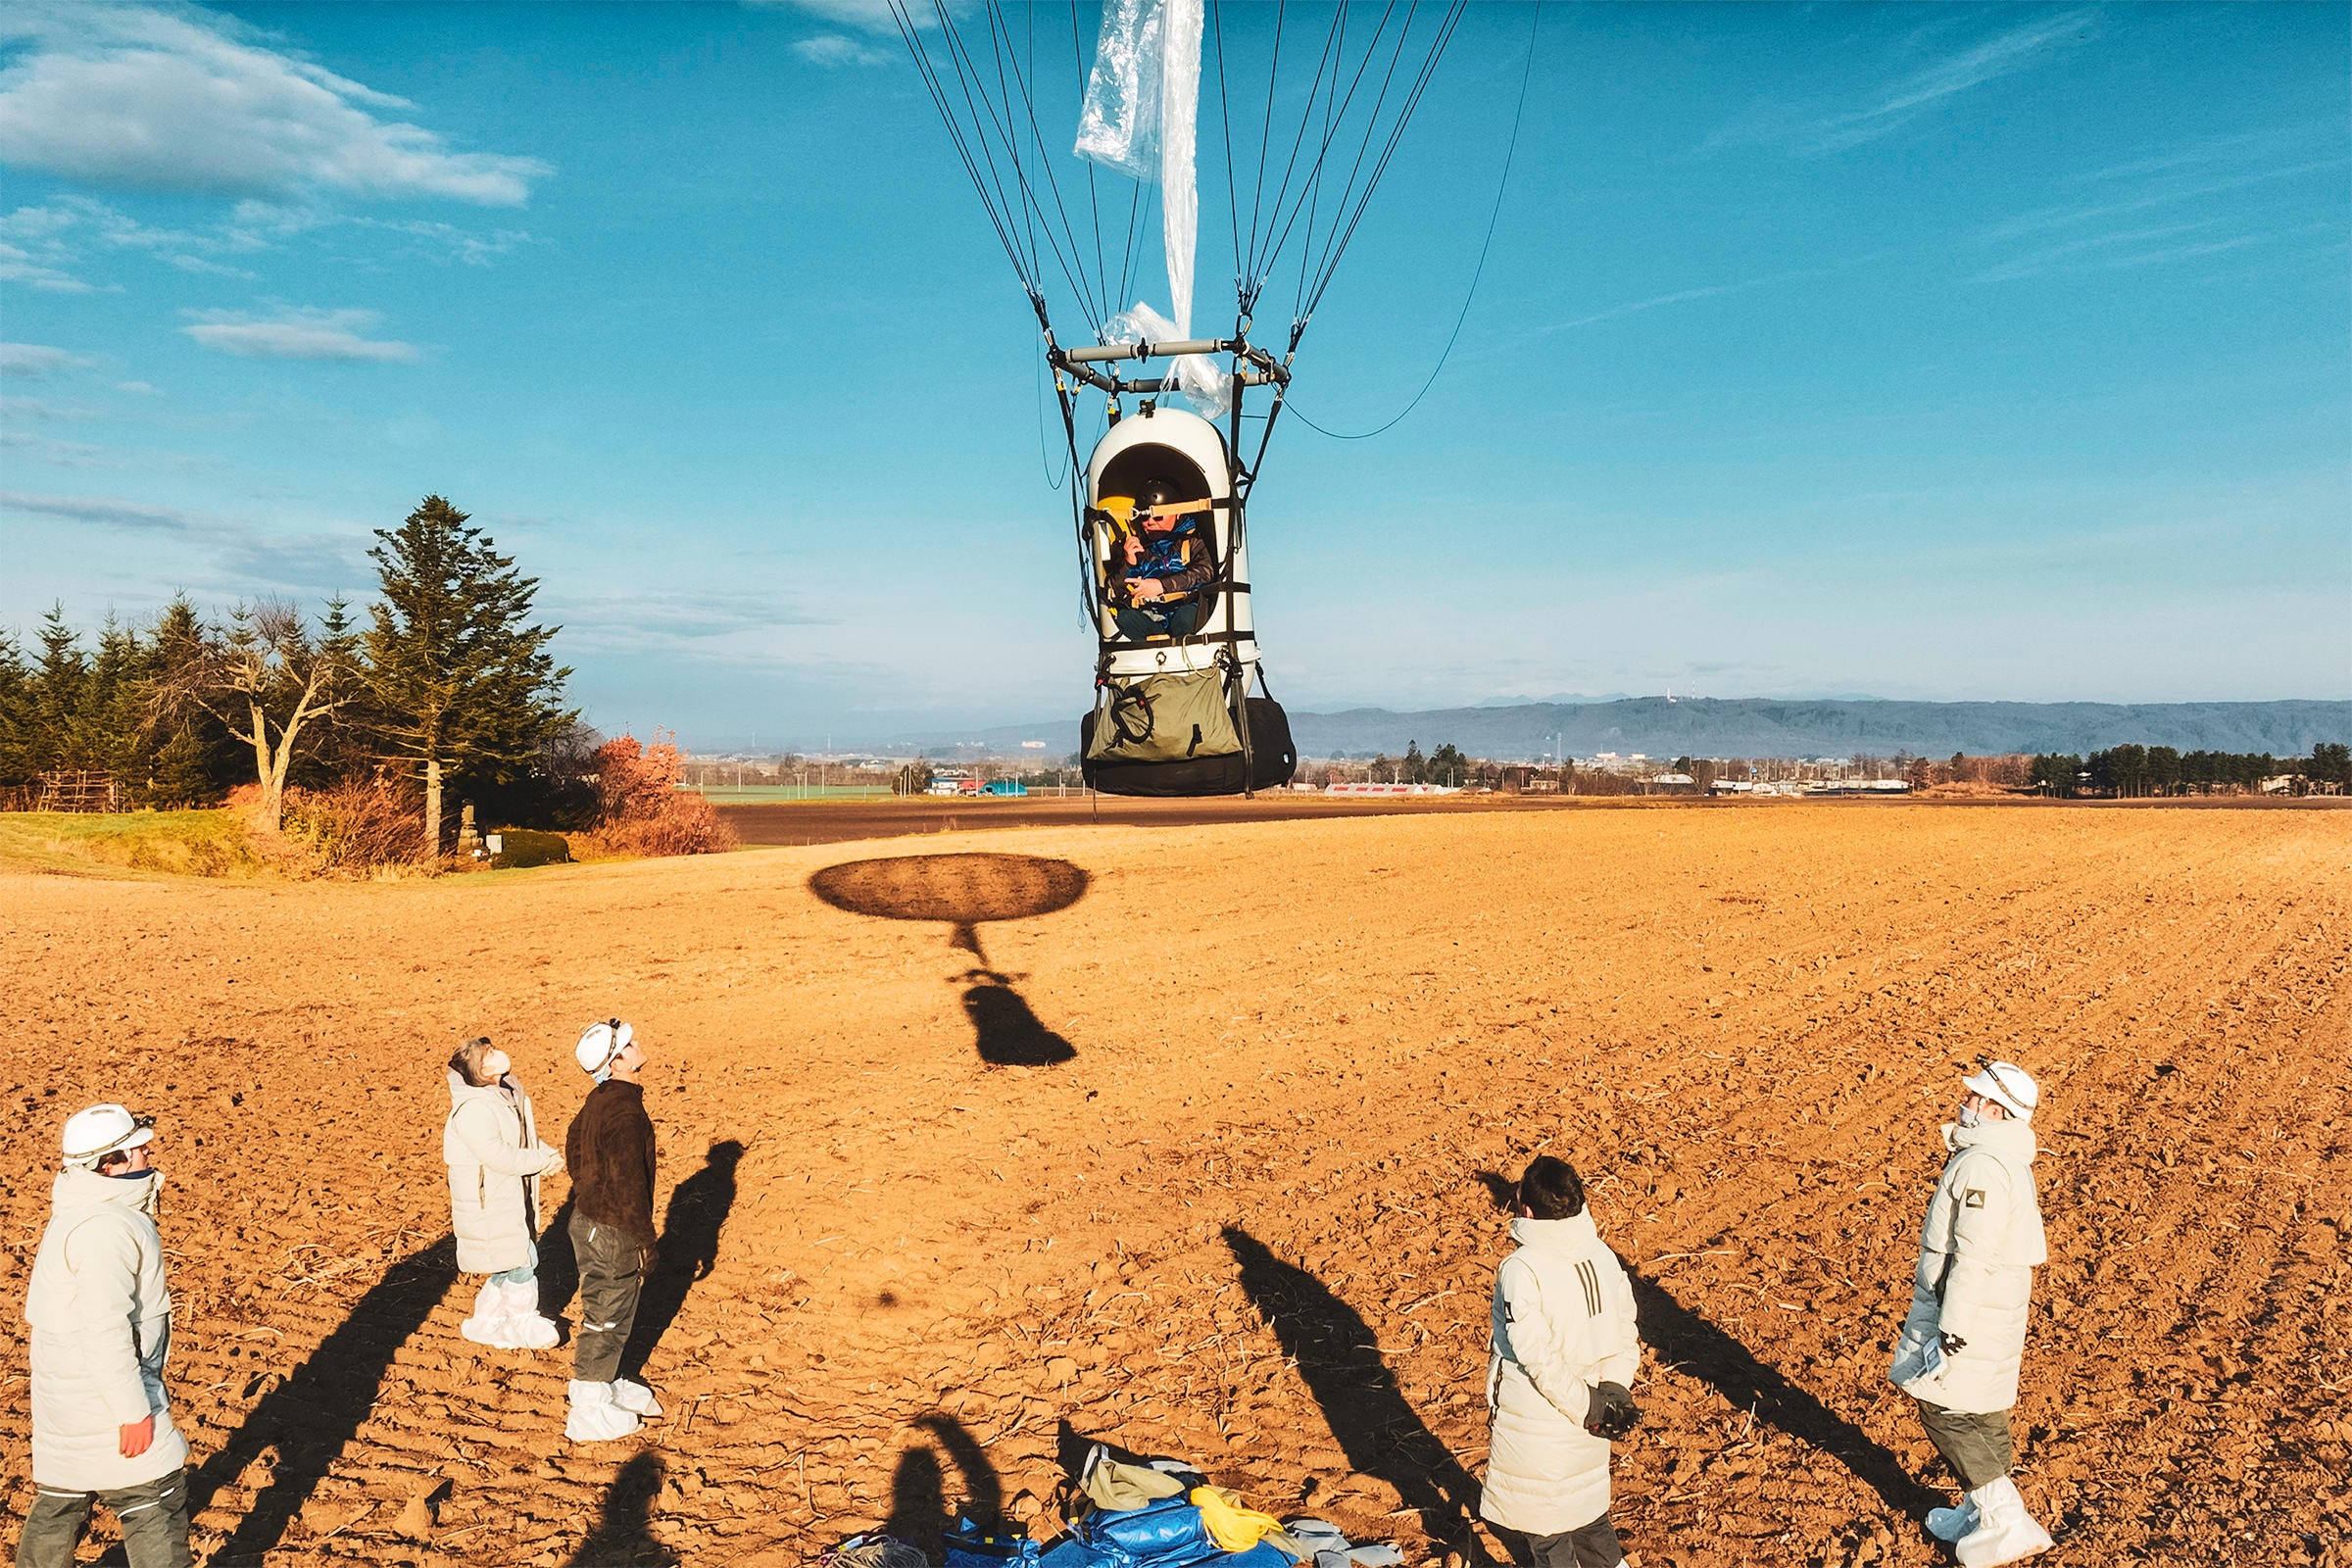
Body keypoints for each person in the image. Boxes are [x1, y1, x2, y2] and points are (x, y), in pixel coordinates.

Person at [1889, 1061, 2054, 1566]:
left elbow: (1974, 1254)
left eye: (1974, 1098)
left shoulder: (1983, 1164)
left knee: (1945, 1408)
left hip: (1972, 1308)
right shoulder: (2000, 1156)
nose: (1964, 1103)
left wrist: (1953, 1327)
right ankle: (1981, 1511)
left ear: (1996, 1110)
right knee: (1979, 1407)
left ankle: (2003, 1518)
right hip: (1990, 1303)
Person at [18, 1104, 191, 1568]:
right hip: (109, 1404)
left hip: (67, 1404)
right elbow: (104, 1327)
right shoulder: (107, 1228)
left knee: (60, 1504)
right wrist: (132, 1411)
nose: (149, 1153)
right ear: (109, 1164)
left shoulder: (79, 1213)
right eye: (138, 1149)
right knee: (156, 1501)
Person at [1479, 1154, 1643, 1568]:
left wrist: (1585, 1405)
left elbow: (1537, 1358)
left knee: (1547, 1536)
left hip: (1540, 1428)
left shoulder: (1522, 1268)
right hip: (1593, 1423)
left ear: (1528, 1212)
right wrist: (1611, 1394)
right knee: (1589, 1523)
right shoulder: (1602, 1255)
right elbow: (1625, 1326)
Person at [564, 1018, 663, 1442]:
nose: (637, 1043)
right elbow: (628, 1186)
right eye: (628, 1044)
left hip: (592, 1221)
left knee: (617, 1309)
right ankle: (588, 1406)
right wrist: (645, 1240)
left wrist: (588, 1187)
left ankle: (608, 1380)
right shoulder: (625, 1113)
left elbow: (573, 1143)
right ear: (617, 1063)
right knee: (605, 1315)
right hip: (611, 1229)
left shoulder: (603, 1097)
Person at [445, 1036, 565, 1351]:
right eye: (489, 1055)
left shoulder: (503, 1095)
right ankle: (521, 1322)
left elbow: (520, 1139)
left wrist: (546, 1153)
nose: (498, 1054)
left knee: (509, 1260)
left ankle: (485, 1321)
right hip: (489, 1203)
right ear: (481, 1071)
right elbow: (500, 1156)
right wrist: (541, 1162)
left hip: (506, 1196)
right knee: (522, 1259)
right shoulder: (473, 1109)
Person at [1109, 479, 1215, 642]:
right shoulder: (1139, 549)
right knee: (1126, 619)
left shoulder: (1193, 540)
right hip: (1152, 617)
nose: (1150, 522)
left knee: (1184, 618)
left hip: (1186, 609)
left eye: (1158, 516)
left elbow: (1205, 572)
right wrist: (1128, 563)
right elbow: (1114, 591)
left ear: (1177, 513)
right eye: (1145, 517)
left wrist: (1161, 586)